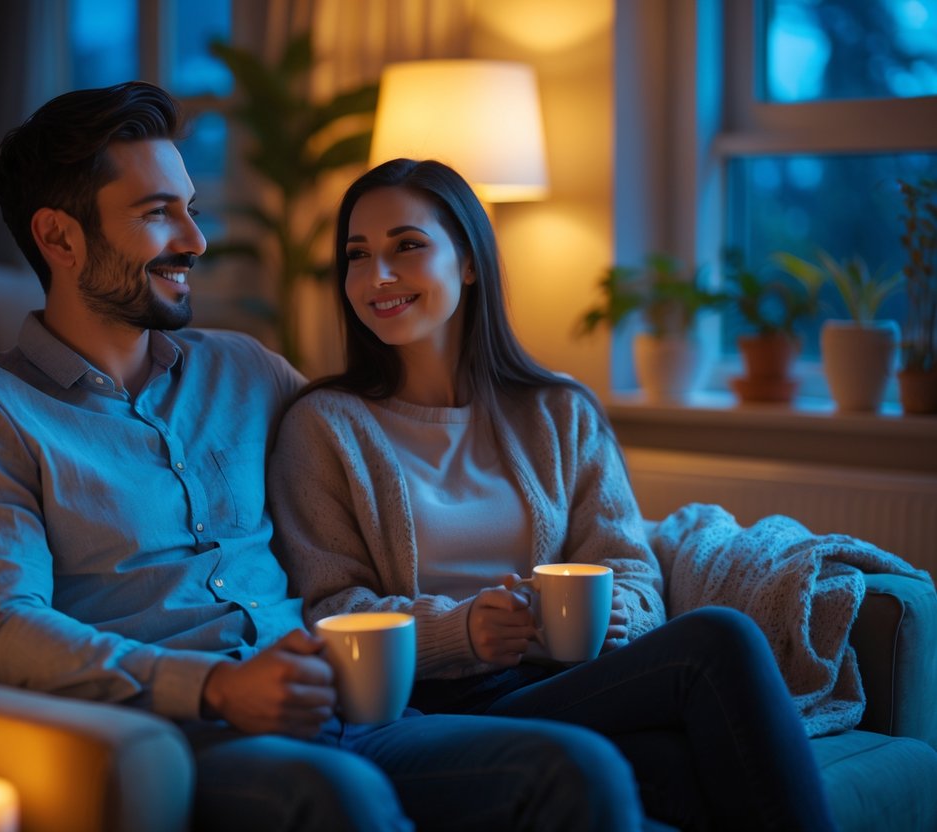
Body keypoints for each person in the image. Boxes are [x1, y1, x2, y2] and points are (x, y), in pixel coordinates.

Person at [0, 81, 657, 832]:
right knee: (342, 799)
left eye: (189, 209)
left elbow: (381, 453)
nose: (195, 241)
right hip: (190, 737)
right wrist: (212, 689)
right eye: (157, 213)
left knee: (575, 768)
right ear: (60, 239)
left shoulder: (244, 371)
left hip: (351, 708)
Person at [267, 158, 838, 832]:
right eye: (356, 256)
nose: (377, 276)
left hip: (561, 685)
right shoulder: (324, 426)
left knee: (673, 762)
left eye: (406, 246)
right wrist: (464, 631)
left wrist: (618, 617)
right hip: (433, 707)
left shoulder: (557, 411)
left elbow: (628, 565)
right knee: (717, 638)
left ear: (470, 262)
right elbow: (331, 607)